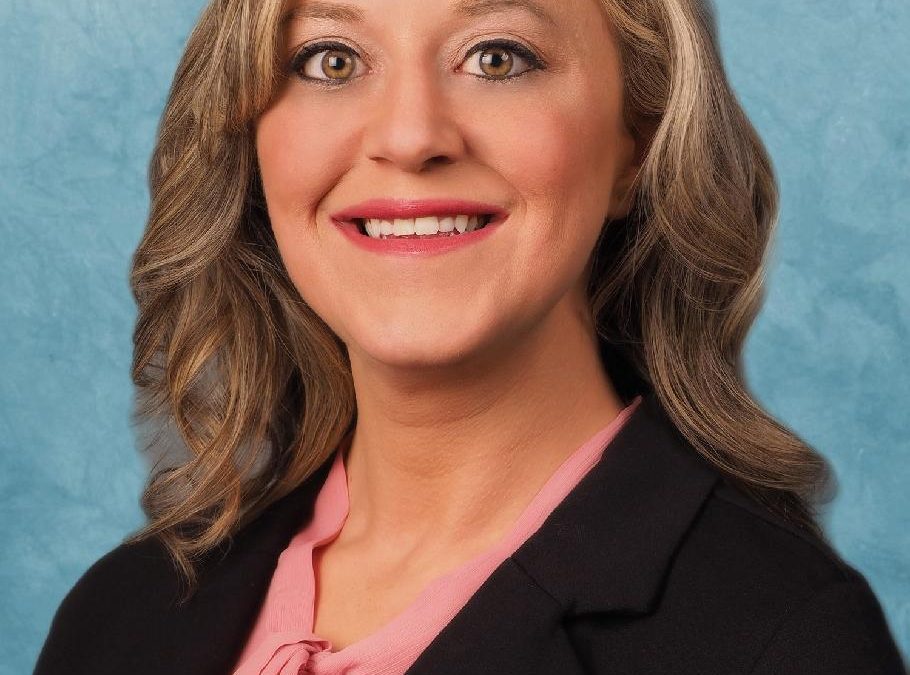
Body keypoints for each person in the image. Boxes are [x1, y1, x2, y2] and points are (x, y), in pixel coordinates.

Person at [34, 0, 907, 673]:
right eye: (331, 60)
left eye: (498, 57)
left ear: (637, 142)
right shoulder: (120, 614)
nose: (411, 136)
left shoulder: (786, 640)